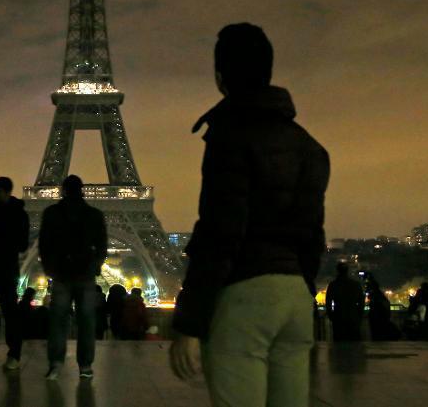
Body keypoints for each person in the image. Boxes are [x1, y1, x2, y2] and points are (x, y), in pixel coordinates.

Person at [170, 23, 329, 407]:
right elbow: (313, 236)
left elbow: (218, 233)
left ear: (220, 76)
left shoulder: (229, 136)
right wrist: (302, 289)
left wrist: (190, 324)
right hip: (294, 300)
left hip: (244, 298)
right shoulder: (309, 146)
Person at [39, 174, 108, 380]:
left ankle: (56, 363)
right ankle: (85, 365)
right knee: (87, 322)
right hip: (84, 275)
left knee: (58, 321)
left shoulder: (52, 213)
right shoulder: (94, 215)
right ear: (82, 190)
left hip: (61, 274)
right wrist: (95, 266)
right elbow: (102, 245)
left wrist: (50, 269)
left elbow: (44, 244)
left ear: (63, 190)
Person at [0, 176, 31, 371]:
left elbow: (22, 244)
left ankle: (14, 354)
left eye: (0, 191)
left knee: (9, 314)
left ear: (8, 191)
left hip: (4, 270)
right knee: (3, 313)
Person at [325, 264, 364, 342]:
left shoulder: (333, 285)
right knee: (354, 345)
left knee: (339, 344)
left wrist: (331, 315)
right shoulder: (356, 285)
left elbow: (328, 302)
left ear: (338, 271)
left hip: (339, 318)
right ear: (347, 271)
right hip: (353, 317)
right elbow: (361, 302)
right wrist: (359, 315)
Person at [364, 273, 398, 341]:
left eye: (367, 288)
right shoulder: (380, 296)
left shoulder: (376, 298)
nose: (366, 290)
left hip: (378, 321)